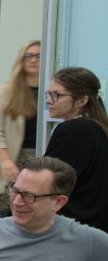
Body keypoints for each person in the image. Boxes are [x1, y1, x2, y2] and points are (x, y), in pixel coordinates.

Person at [42, 66, 108, 233]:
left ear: (81, 101)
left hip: (71, 227)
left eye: (56, 95)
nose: (49, 100)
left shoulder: (74, 130)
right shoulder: (98, 128)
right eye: (48, 94)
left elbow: (46, 179)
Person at [0, 40, 41, 218]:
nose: (33, 60)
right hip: (9, 159)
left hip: (40, 160)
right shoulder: (5, 91)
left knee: (32, 214)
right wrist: (5, 161)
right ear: (21, 60)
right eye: (28, 56)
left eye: (38, 56)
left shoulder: (52, 92)